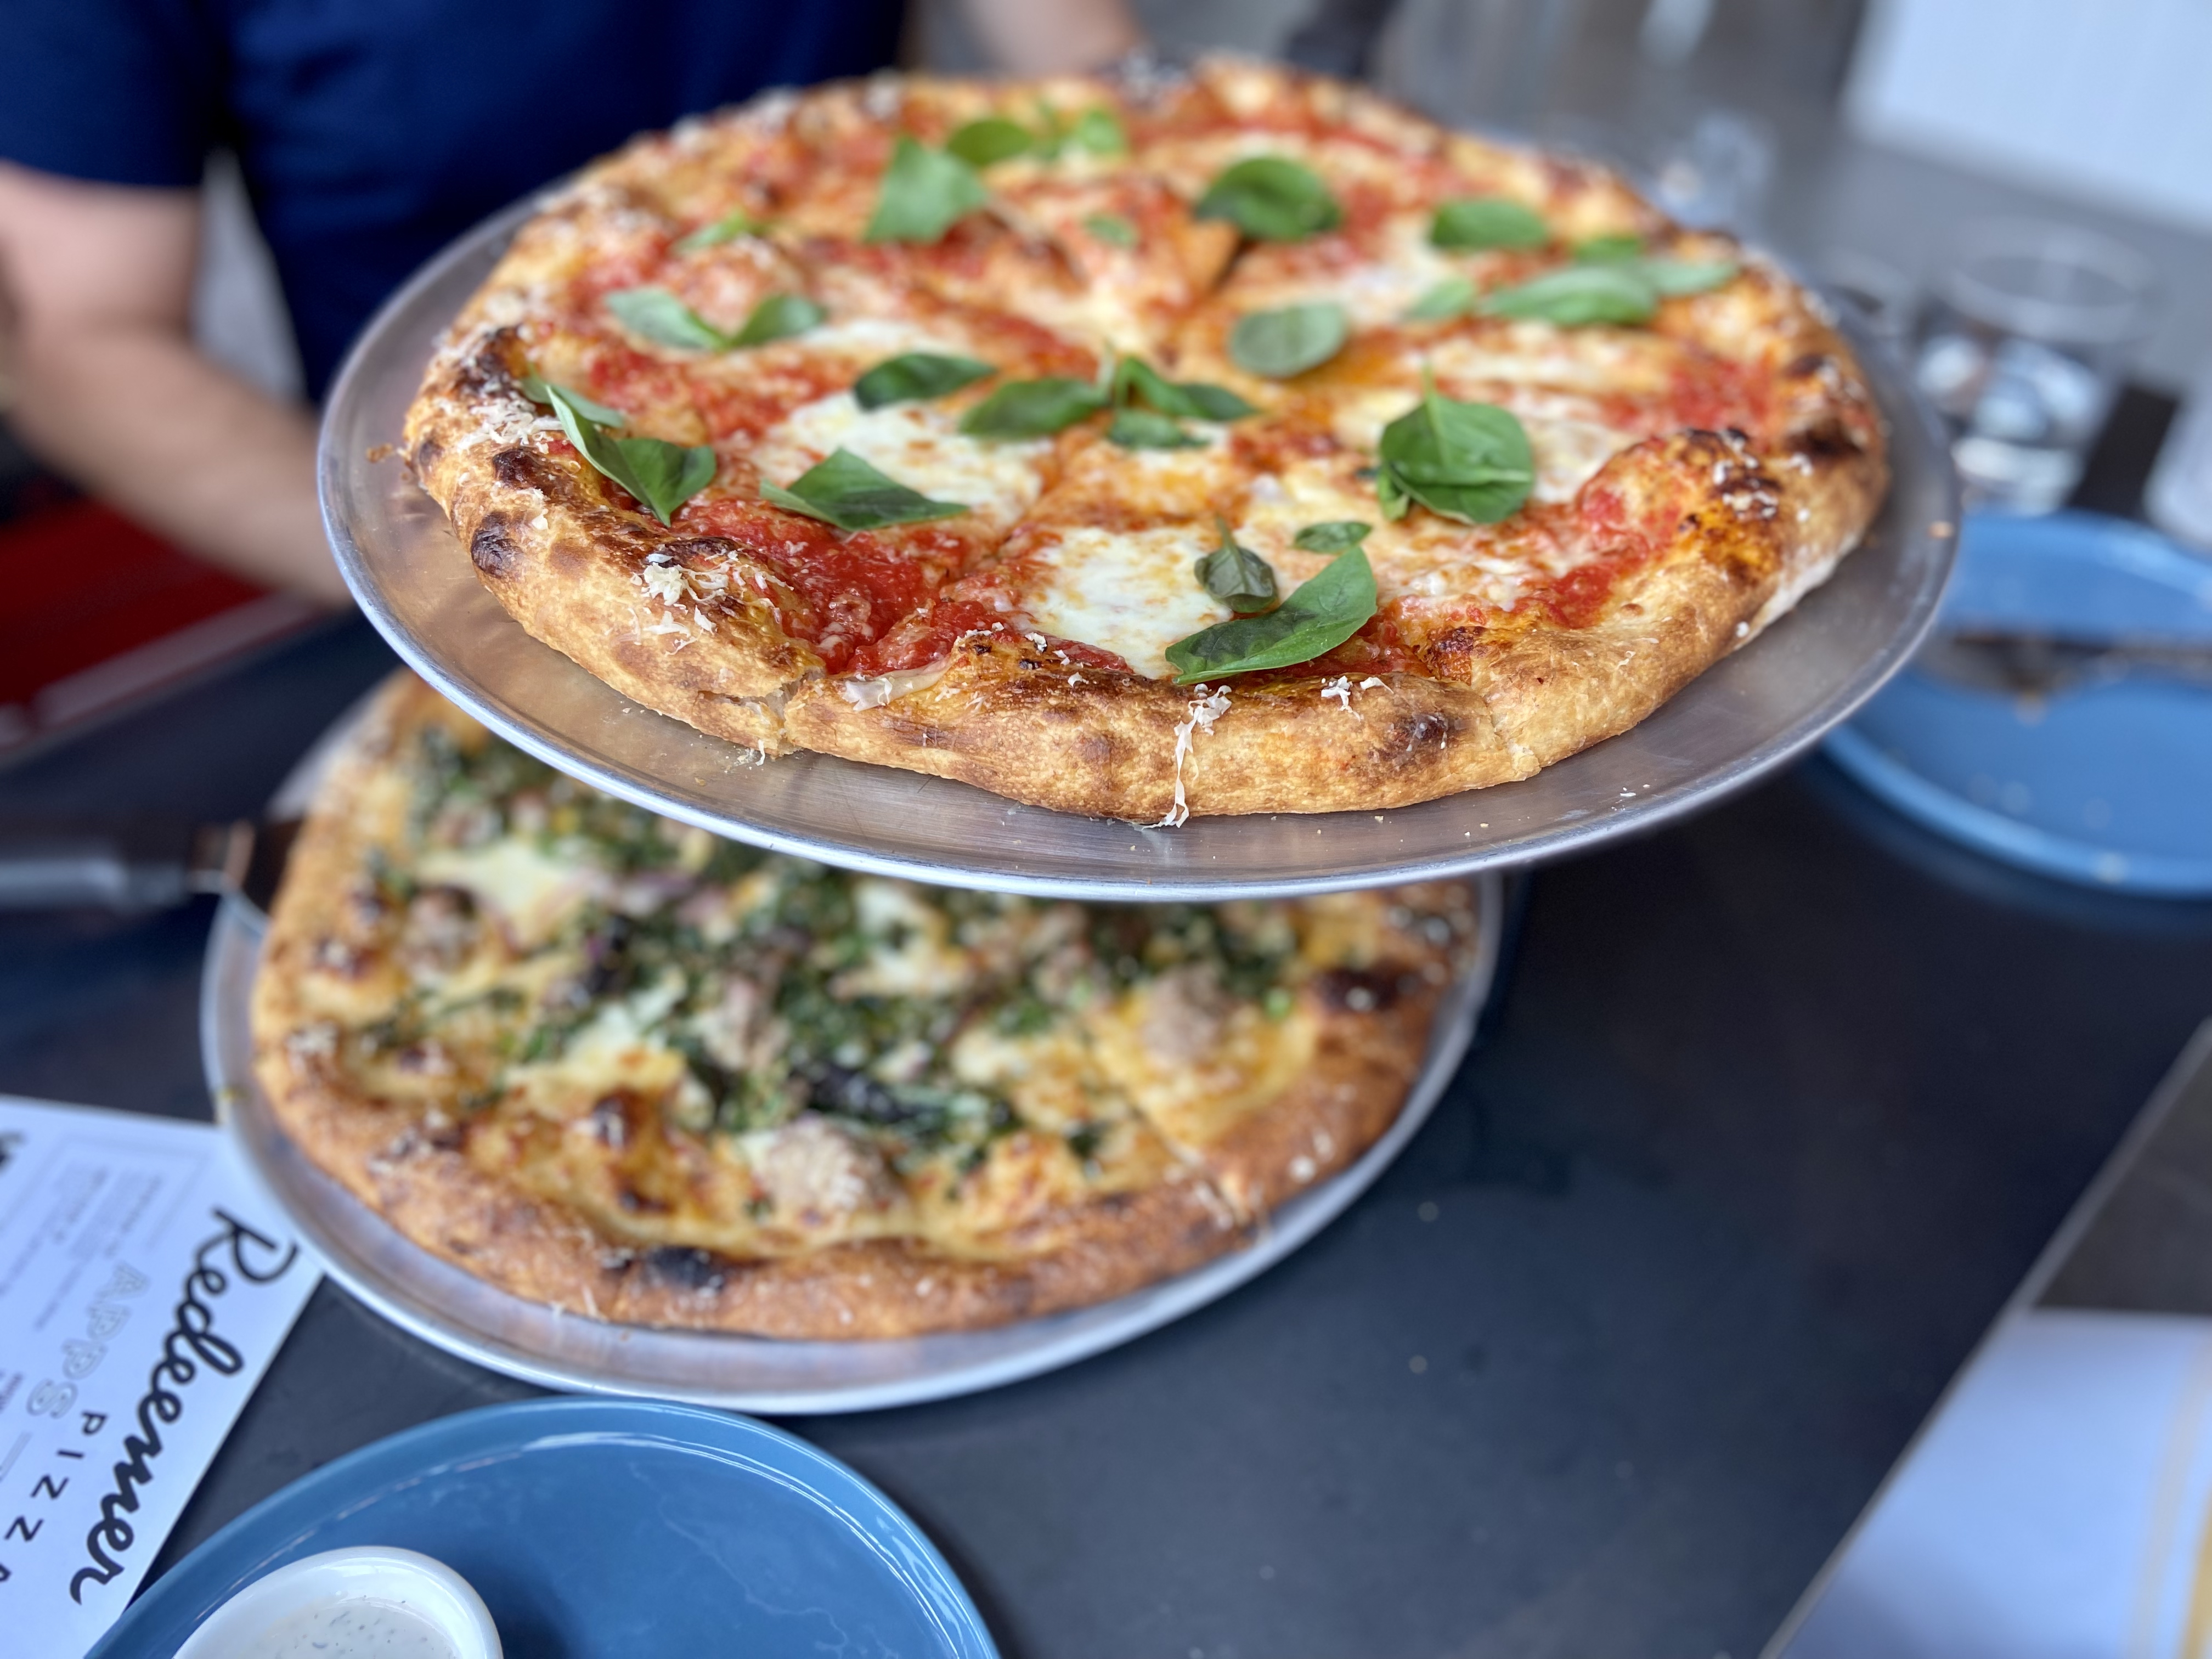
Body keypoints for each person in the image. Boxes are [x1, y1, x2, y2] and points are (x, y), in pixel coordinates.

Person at [0, 0, 1144, 606]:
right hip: (458, 504)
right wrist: (449, 601)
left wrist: (1180, 233)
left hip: (954, 333)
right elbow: (71, 338)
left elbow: (1092, 65)